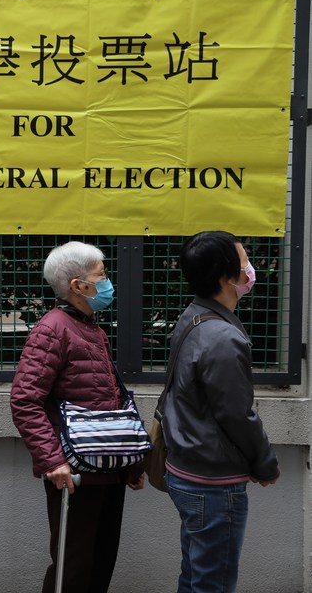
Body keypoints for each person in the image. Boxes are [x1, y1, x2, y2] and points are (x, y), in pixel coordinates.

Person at [9, 241, 143, 593]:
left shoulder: (90, 327)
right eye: (101, 274)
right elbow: (25, 400)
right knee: (74, 566)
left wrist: (128, 464)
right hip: (75, 471)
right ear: (78, 285)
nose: (108, 281)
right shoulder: (53, 328)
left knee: (100, 563)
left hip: (106, 467)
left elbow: (107, 396)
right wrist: (52, 461)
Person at [162, 231, 279, 593]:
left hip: (186, 470)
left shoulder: (193, 317)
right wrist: (265, 464)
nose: (250, 270)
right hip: (212, 485)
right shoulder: (222, 336)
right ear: (228, 278)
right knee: (213, 583)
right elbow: (236, 414)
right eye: (244, 263)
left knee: (196, 576)